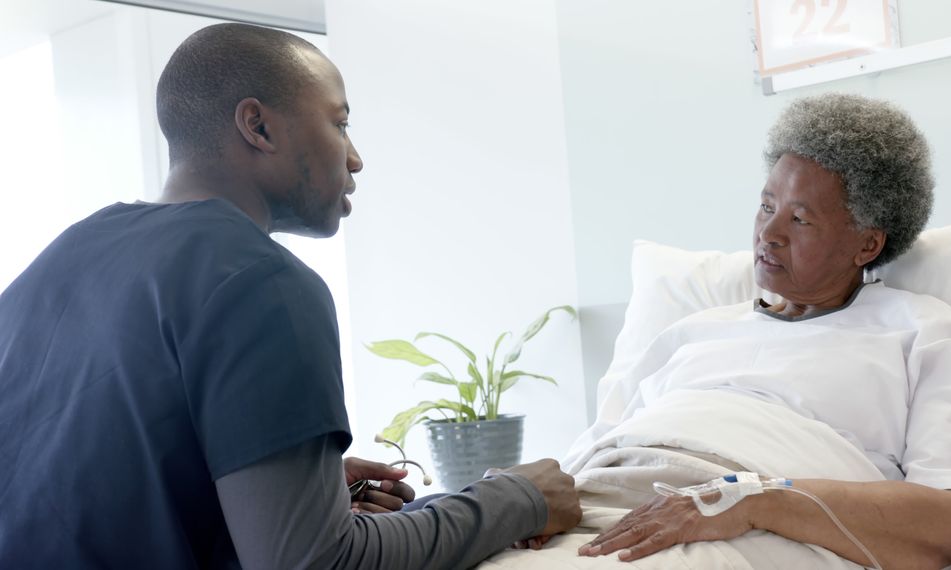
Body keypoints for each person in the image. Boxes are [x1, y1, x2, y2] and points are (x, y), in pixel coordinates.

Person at [0, 23, 580, 569]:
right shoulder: (262, 280)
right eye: (340, 123)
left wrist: (286, 484)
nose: (355, 159)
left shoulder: (65, 255)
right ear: (258, 126)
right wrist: (516, 498)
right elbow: (317, 562)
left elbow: (78, 489)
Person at [571, 94, 951, 568]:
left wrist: (751, 501)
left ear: (867, 244)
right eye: (766, 205)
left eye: (799, 218)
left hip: (754, 530)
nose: (768, 233)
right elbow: (587, 457)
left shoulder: (923, 334)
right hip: (607, 506)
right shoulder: (689, 333)